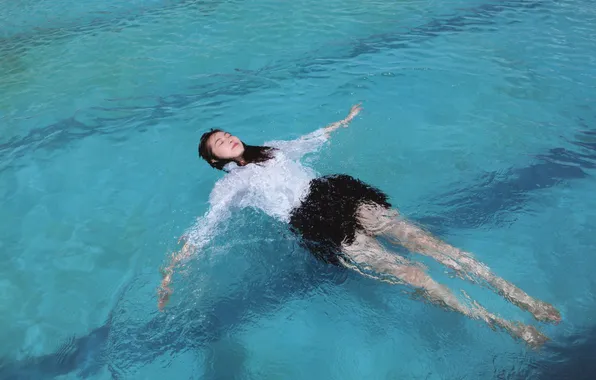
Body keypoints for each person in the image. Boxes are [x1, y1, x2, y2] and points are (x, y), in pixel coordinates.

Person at [157, 104, 561, 348]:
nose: (227, 138)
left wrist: (345, 120)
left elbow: (313, 138)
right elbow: (204, 229)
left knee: (428, 243)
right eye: (218, 143)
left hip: (339, 195)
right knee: (410, 272)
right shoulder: (230, 186)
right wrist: (171, 273)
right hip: (316, 222)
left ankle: (521, 299)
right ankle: (504, 326)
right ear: (215, 161)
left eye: (226, 133)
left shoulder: (274, 149)